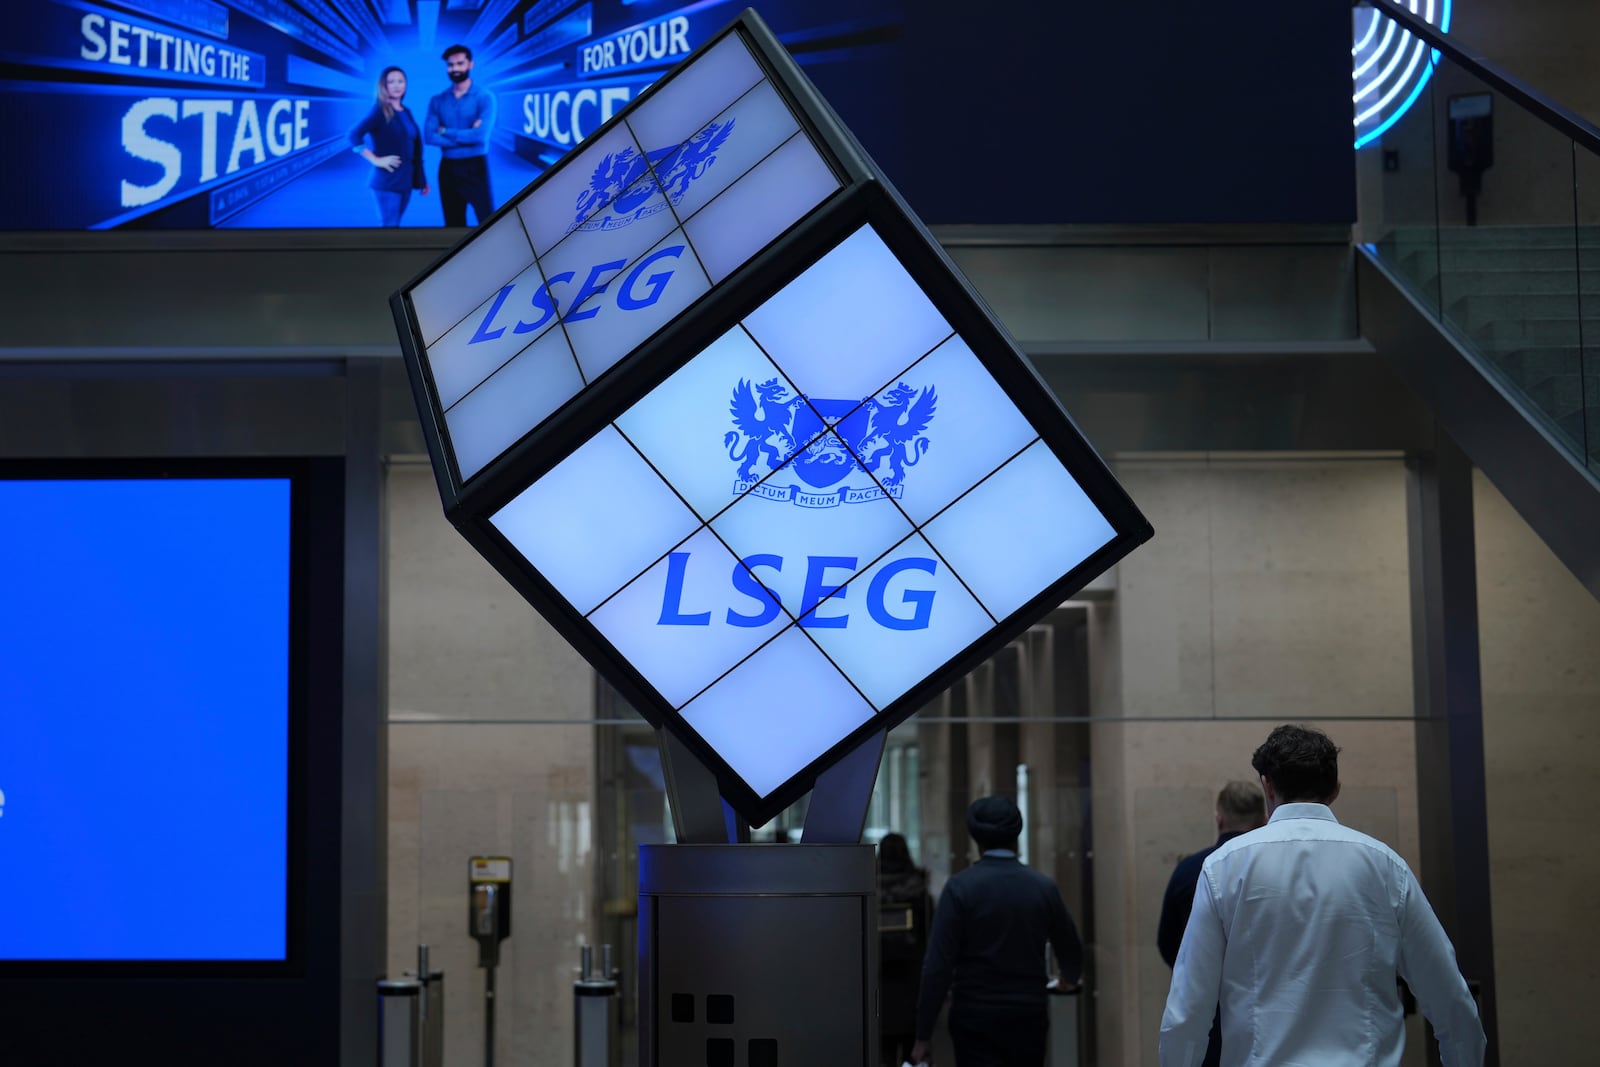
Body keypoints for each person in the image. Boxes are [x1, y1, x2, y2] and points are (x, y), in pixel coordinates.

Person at [1160, 725, 1486, 1067]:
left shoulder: (1224, 868)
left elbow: (1188, 1014)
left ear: (1267, 785)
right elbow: (1452, 1001)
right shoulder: (1385, 867)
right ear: (1335, 790)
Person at [910, 796, 1082, 1067]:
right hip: (1028, 1014)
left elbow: (937, 967)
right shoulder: (1042, 887)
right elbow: (1070, 946)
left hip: (974, 1015)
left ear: (976, 837)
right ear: (1017, 832)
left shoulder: (959, 889)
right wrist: (1069, 979)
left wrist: (923, 1034)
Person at [1155, 780, 1266, 1067]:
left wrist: (1196, 975)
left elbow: (1167, 942)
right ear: (1264, 818)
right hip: (1265, 1013)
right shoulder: (1274, 870)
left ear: (1219, 819)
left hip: (1207, 1013)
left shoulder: (1190, 870)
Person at [878, 833, 934, 1067]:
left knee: (883, 1048)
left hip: (879, 976)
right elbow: (931, 935)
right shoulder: (919, 890)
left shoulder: (868, 887)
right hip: (912, 977)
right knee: (913, 1049)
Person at [425, 43, 496, 227]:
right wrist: (467, 135)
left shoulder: (484, 97)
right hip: (448, 169)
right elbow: (429, 136)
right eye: (450, 65)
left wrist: (445, 131)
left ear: (470, 64)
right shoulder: (437, 100)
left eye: (460, 63)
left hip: (475, 167)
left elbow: (480, 136)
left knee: (489, 222)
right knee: (453, 225)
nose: (455, 68)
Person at [348, 66, 428, 227]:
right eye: (391, 82)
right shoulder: (380, 110)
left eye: (401, 81)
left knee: (395, 229)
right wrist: (375, 160)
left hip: (405, 182)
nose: (397, 85)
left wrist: (422, 180)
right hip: (387, 183)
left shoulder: (406, 111)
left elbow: (414, 148)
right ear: (383, 86)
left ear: (405, 85)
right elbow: (353, 135)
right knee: (390, 230)